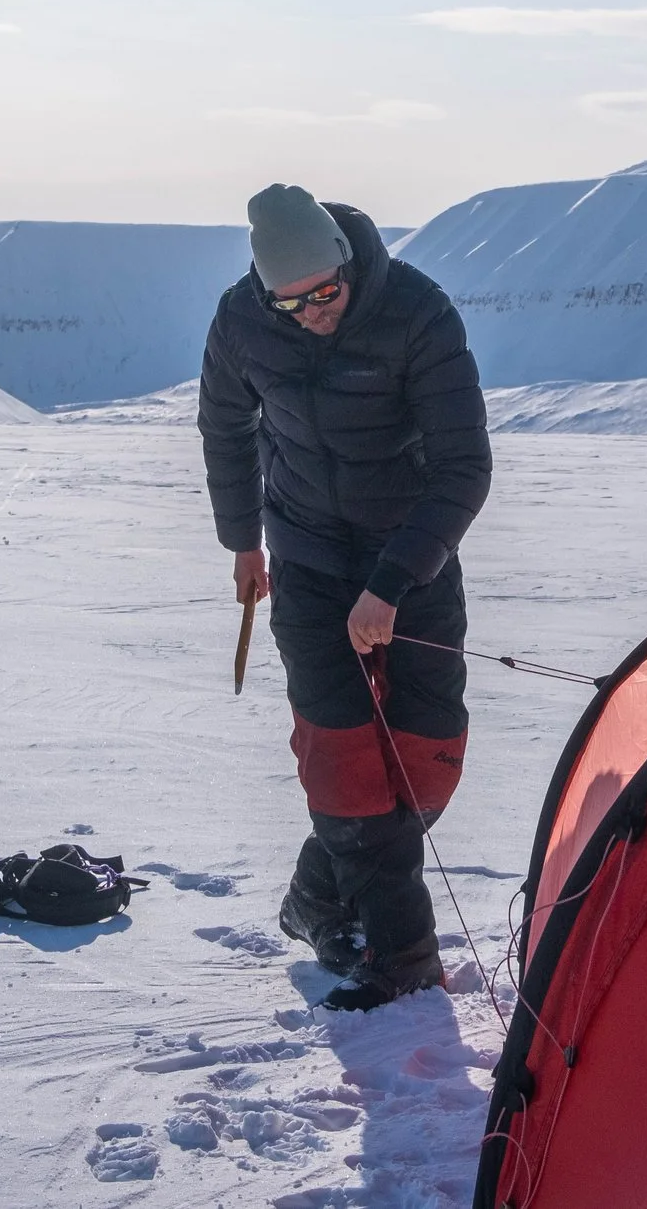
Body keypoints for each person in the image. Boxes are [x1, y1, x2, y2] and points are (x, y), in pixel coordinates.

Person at [198, 184, 492, 1010]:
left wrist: (392, 584)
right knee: (344, 763)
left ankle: (316, 899)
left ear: (346, 266)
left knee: (425, 763)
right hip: (310, 561)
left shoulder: (416, 310)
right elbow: (225, 426)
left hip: (413, 560)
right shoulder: (244, 320)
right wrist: (243, 541)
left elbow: (465, 467)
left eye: (324, 294)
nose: (311, 313)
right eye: (290, 304)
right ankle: (403, 959)